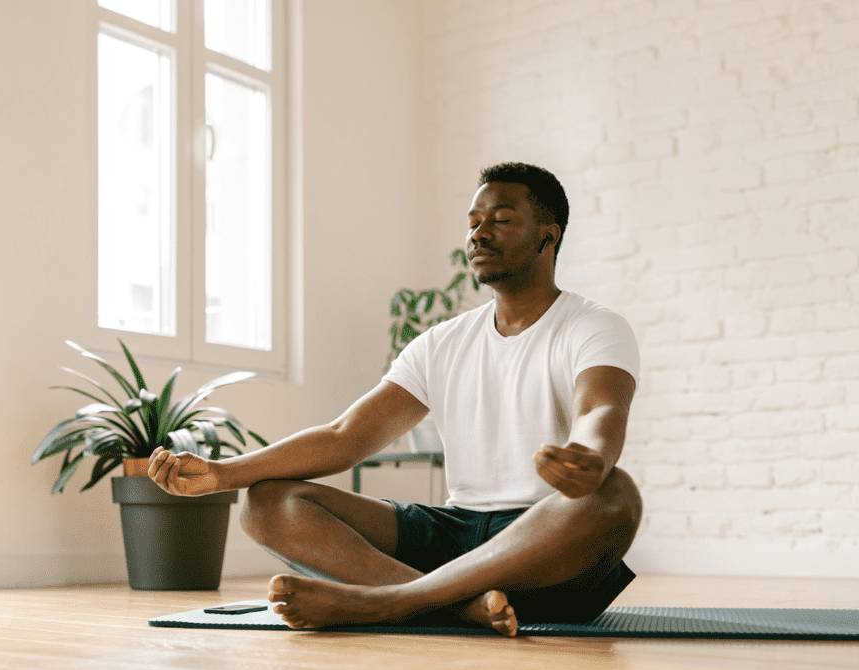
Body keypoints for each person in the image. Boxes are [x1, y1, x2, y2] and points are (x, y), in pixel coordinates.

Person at [147, 162, 642, 637]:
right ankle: (451, 606)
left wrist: (590, 458)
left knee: (615, 497)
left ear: (548, 235)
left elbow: (599, 410)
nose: (479, 233)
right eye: (473, 222)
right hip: (455, 533)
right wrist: (223, 474)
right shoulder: (441, 342)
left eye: (502, 220)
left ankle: (384, 602)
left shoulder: (593, 326)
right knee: (265, 501)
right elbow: (346, 437)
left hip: (542, 543)